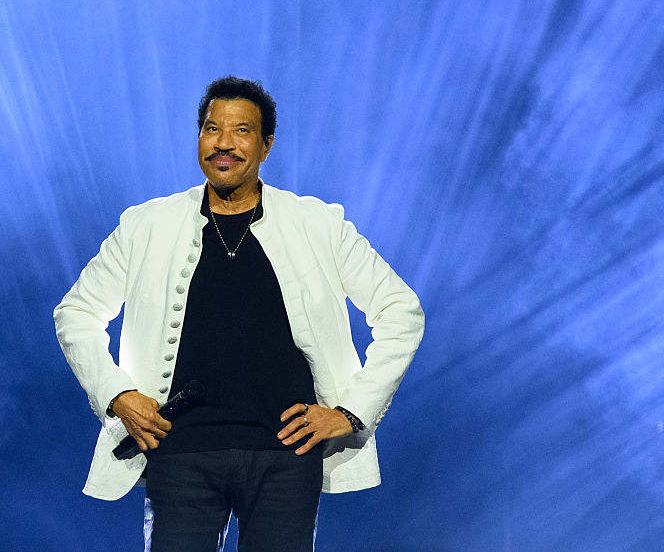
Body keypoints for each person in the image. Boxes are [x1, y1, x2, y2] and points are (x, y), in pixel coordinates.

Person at [54, 76, 424, 551]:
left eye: (241, 131)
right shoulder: (146, 225)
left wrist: (351, 413)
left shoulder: (318, 224)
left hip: (286, 457)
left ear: (267, 144)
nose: (223, 143)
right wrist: (118, 393)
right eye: (211, 129)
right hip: (180, 451)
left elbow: (402, 312)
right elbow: (76, 313)